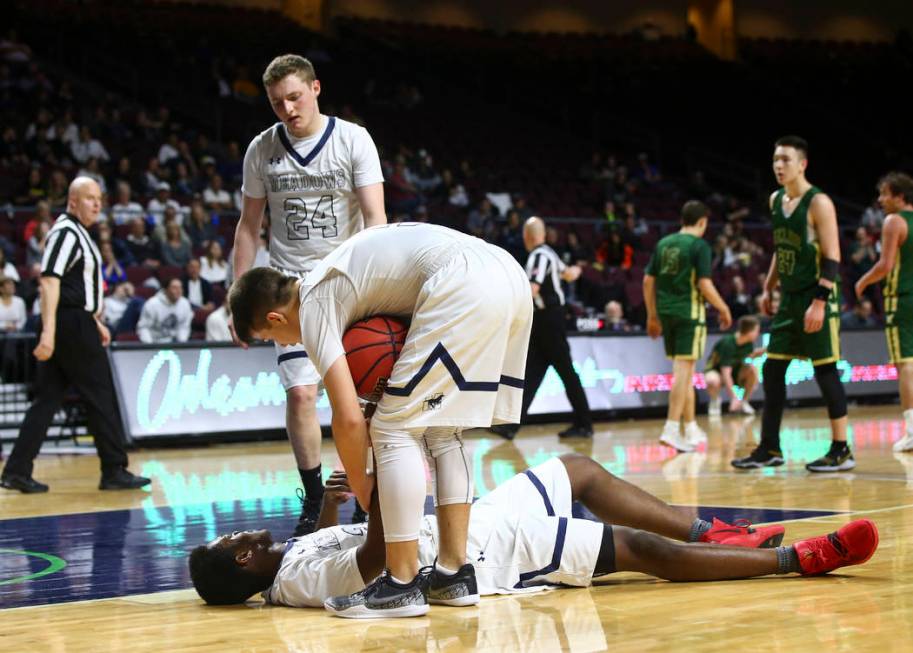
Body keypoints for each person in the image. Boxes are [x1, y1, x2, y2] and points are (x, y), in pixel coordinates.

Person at [229, 221, 532, 618]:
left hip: (463, 281)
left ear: (274, 318)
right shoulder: (333, 274)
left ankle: (402, 583)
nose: (285, 344)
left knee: (392, 426)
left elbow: (348, 419)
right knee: (442, 430)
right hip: (508, 276)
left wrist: (363, 484)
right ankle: (453, 573)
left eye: (273, 338)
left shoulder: (316, 302)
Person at [187, 453, 878, 608]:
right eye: (229, 542)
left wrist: (341, 502)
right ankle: (797, 559)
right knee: (638, 551)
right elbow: (374, 558)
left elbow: (352, 537)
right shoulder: (297, 581)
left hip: (467, 522)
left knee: (577, 469)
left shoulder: (293, 549)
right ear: (245, 561)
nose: (236, 531)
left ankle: (716, 532)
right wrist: (378, 479)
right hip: (487, 556)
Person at [231, 53, 386, 538]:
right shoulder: (261, 149)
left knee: (363, 399)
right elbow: (248, 226)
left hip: (347, 282)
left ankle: (365, 491)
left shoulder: (353, 139)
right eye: (278, 102)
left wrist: (376, 286)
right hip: (290, 290)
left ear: (316, 88)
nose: (288, 109)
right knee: (301, 395)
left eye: (295, 97)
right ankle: (314, 493)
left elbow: (375, 218)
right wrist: (239, 300)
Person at [0, 177, 150, 493]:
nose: (96, 204)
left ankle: (16, 469)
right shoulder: (65, 232)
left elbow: (72, 288)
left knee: (47, 399)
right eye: (89, 198)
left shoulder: (78, 233)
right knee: (101, 394)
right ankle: (114, 469)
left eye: (99, 199)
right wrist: (49, 333)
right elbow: (50, 281)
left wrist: (94, 321)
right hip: (68, 325)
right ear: (72, 202)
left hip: (75, 321)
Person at [732, 137, 851, 473]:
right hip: (789, 298)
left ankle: (841, 449)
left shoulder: (819, 203)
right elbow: (780, 248)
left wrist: (819, 302)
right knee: (772, 369)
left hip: (817, 295)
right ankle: (770, 447)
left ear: (803, 164)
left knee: (825, 369)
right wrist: (769, 286)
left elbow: (832, 257)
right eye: (774, 160)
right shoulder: (775, 200)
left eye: (785, 159)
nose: (778, 166)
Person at [492, 217, 592, 441]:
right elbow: (569, 274)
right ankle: (510, 426)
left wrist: (508, 306)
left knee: (565, 372)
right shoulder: (551, 254)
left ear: (527, 237)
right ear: (543, 235)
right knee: (532, 373)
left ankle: (584, 424)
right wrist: (577, 269)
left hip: (549, 319)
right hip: (548, 319)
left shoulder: (539, 255)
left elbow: (533, 288)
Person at [644, 200, 732, 453]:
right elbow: (704, 285)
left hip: (666, 313)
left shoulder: (663, 243)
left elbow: (648, 281)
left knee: (685, 369)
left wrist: (652, 315)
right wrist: (724, 308)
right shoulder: (699, 245)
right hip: (689, 314)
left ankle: (690, 426)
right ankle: (671, 428)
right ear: (703, 222)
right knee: (683, 372)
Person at [855, 171, 913, 452]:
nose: (880, 200)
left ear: (900, 196)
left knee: (906, 365)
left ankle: (912, 430)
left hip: (900, 299)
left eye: (885, 194)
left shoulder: (894, 221)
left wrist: (863, 280)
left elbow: (886, 265)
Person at [705, 315, 764, 417]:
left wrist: (760, 352)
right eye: (757, 330)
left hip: (735, 372)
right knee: (712, 380)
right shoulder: (727, 343)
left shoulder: (748, 343)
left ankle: (744, 402)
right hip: (717, 372)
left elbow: (747, 357)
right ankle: (715, 401)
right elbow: (725, 373)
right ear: (749, 331)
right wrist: (734, 397)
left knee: (753, 369)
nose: (758, 334)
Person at [136, 277, 193, 344]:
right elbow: (143, 328)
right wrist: (150, 346)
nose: (178, 290)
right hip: (154, 342)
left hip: (175, 343)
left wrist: (181, 345)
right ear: (165, 290)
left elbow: (184, 327)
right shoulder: (152, 304)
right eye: (174, 288)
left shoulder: (185, 303)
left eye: (180, 287)